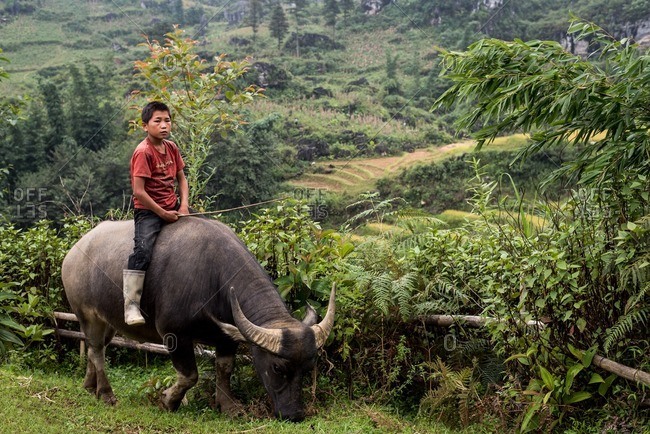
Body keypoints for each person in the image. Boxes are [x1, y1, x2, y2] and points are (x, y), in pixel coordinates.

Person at [123, 101, 189, 325]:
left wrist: (183, 206)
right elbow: (139, 192)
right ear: (145, 126)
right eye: (157, 121)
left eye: (167, 120)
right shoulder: (143, 152)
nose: (164, 126)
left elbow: (182, 178)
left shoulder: (171, 147)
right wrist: (162, 213)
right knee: (142, 252)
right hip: (149, 211)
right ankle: (131, 305)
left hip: (173, 207)